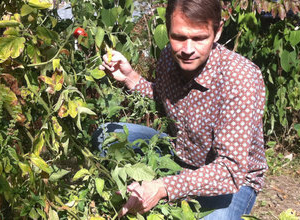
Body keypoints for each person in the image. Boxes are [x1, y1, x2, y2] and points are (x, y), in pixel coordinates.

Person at [97, 0, 267, 219]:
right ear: (168, 30)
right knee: (105, 135)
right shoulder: (169, 57)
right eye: (178, 37)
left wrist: (163, 187)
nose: (187, 49)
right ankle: (124, 192)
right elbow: (165, 98)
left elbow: (230, 170)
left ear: (217, 32)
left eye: (199, 38)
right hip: (180, 155)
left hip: (232, 179)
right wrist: (131, 78)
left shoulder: (239, 78)